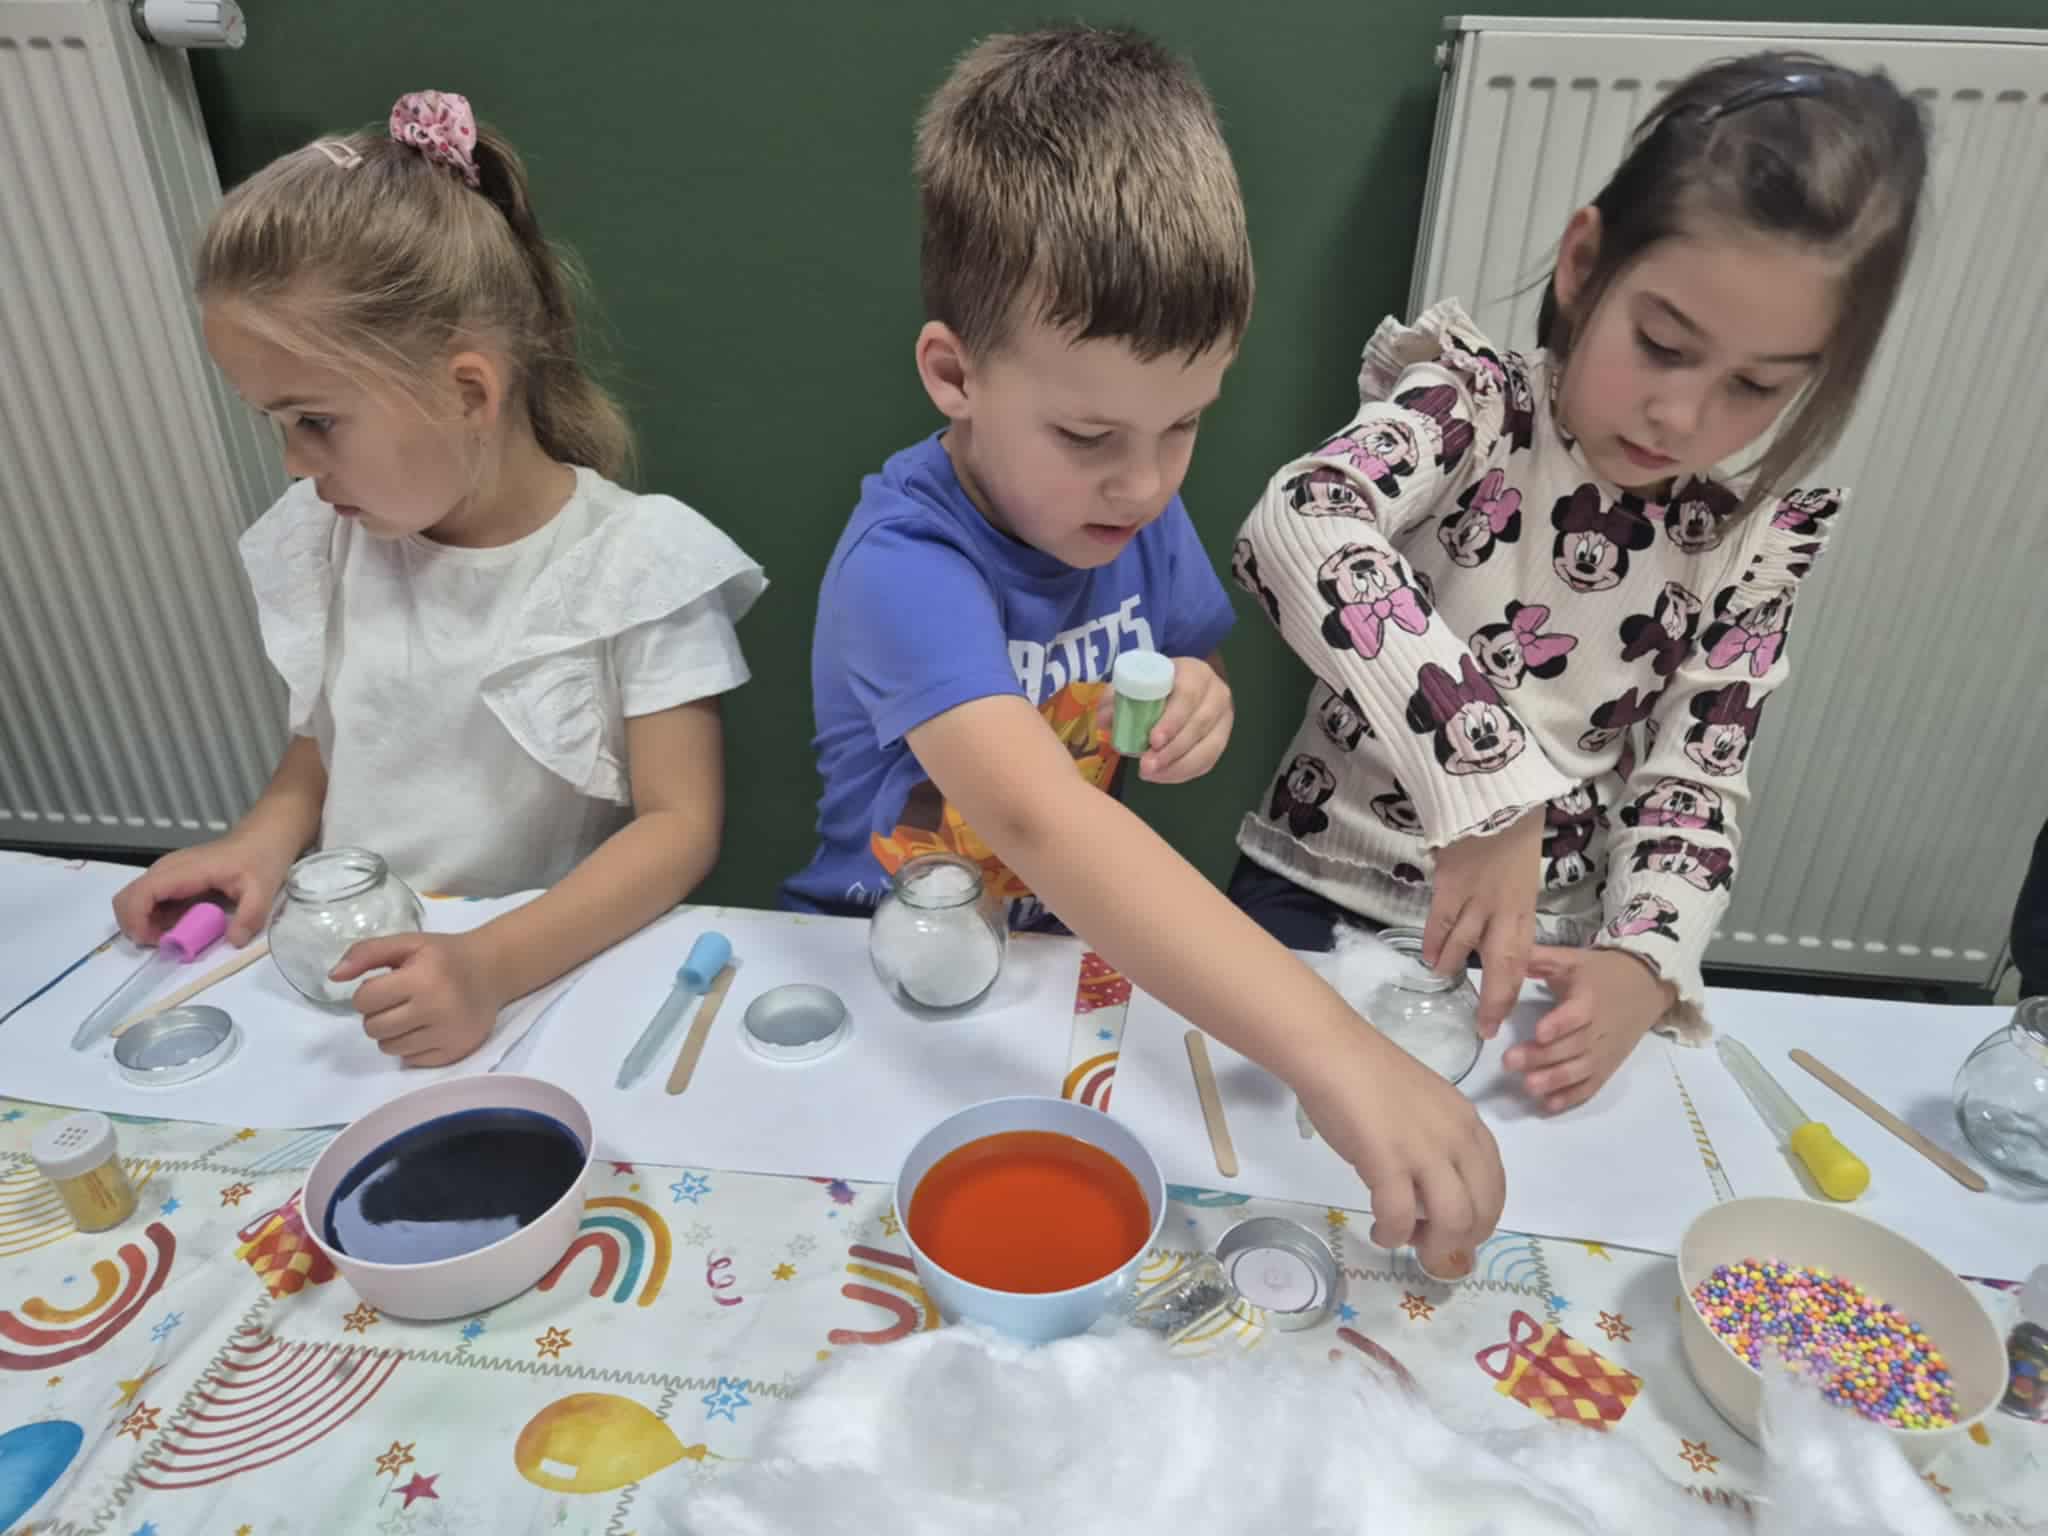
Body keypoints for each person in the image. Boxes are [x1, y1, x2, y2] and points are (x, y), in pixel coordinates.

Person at [783, 26, 1503, 1268]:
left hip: (1059, 961)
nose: (1145, 482)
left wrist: (1198, 697)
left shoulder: (1132, 514)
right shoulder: (903, 567)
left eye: (1184, 426)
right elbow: (1039, 820)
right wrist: (1337, 1054)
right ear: (953, 374)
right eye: (1087, 436)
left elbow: (1181, 658)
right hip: (889, 963)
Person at [1229, 53, 1928, 1111]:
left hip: (1539, 946)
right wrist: (1488, 786)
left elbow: (1694, 780)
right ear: (1583, 262)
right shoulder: (1467, 408)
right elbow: (1298, 521)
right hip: (1314, 890)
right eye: (1661, 344)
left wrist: (1644, 959)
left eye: (1754, 386)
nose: (1680, 416)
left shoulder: (1746, 542)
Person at [114, 92, 764, 1066]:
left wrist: (490, 964)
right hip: (355, 975)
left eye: (315, 420)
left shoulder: (637, 564)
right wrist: (258, 842)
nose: (293, 462)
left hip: (534, 983)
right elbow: (329, 740)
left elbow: (678, 827)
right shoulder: (332, 540)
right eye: (275, 423)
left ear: (466, 391)